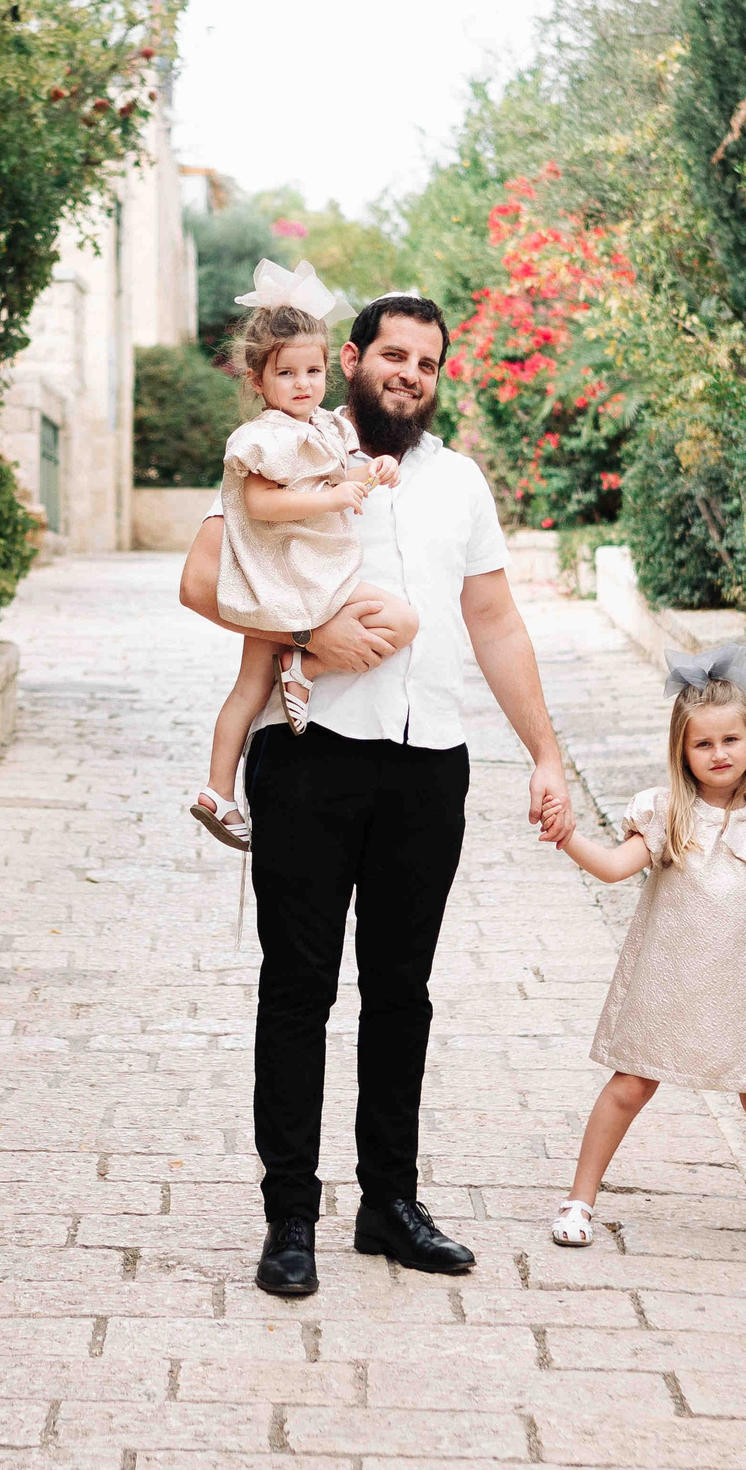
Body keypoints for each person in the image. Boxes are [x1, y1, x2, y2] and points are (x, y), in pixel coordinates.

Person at [179, 290, 575, 1298]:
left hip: (429, 759)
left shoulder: (458, 482)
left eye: (427, 362)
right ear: (350, 358)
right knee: (298, 989)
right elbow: (199, 576)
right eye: (391, 354)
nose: (409, 372)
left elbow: (492, 621)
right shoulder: (291, 443)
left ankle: (389, 1204)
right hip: (310, 752)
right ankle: (288, 1217)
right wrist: (308, 641)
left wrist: (545, 751)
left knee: (403, 992)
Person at [541, 646, 746, 1262]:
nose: (720, 755)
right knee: (631, 1082)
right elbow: (613, 868)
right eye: (704, 745)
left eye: (730, 741)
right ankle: (579, 1199)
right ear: (682, 753)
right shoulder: (669, 814)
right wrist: (569, 838)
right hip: (671, 978)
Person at [189, 261, 408, 852]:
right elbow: (261, 504)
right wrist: (336, 494)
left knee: (250, 687)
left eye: (313, 370)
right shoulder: (263, 436)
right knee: (401, 620)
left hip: (301, 577)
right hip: (289, 578)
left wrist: (374, 469)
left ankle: (220, 788)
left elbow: (342, 469)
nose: (304, 383)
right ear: (258, 379)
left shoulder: (320, 431)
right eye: (287, 373)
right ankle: (295, 679)